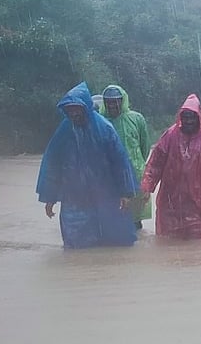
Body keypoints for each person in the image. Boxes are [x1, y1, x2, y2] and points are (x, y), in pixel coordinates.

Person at [36, 82, 138, 249]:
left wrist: (125, 193)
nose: (74, 113)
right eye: (70, 109)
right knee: (77, 243)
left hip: (106, 191)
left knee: (114, 239)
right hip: (75, 196)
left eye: (77, 108)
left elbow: (120, 162)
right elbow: (53, 165)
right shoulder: (64, 131)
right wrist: (50, 198)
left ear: (86, 107)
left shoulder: (105, 128)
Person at [140, 94, 201, 239]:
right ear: (180, 117)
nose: (188, 121)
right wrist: (146, 188)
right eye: (185, 117)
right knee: (166, 240)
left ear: (198, 118)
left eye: (192, 117)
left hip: (198, 201)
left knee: (196, 243)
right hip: (170, 201)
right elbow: (155, 164)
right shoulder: (169, 136)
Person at [100, 85, 151, 230]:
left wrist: (136, 164)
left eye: (116, 101)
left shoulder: (136, 118)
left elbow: (145, 146)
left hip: (135, 173)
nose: (113, 105)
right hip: (109, 176)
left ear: (122, 101)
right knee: (113, 217)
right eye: (109, 101)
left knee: (135, 219)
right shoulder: (100, 121)